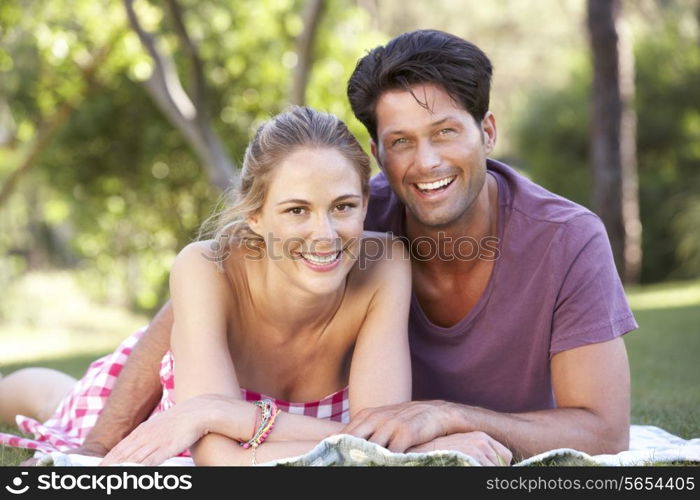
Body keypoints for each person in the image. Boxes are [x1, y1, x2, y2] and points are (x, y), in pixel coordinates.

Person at [0, 106, 417, 466]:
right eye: (296, 210)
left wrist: (215, 413)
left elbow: (382, 443)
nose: (324, 234)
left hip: (203, 417)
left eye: (343, 206)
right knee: (53, 404)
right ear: (255, 214)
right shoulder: (205, 266)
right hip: (160, 409)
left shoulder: (386, 265)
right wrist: (349, 438)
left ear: (366, 202)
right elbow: (218, 460)